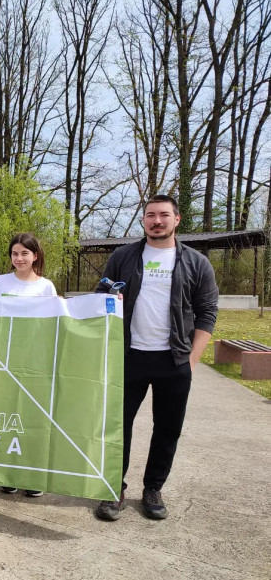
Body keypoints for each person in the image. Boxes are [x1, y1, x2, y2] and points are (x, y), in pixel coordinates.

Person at [94, 194, 218, 521]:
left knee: (167, 428)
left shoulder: (196, 263)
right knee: (117, 428)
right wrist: (109, 300)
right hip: (128, 357)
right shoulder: (123, 256)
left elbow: (207, 313)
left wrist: (191, 361)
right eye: (150, 215)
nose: (157, 221)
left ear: (177, 220)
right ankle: (113, 488)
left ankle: (153, 488)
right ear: (143, 220)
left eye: (164, 215)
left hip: (173, 360)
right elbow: (100, 297)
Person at [0, 233, 57, 497]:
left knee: (31, 416)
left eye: (24, 254)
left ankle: (33, 474)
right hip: (4, 359)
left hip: (35, 361)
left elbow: (53, 324)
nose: (19, 258)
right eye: (14, 253)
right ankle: (7, 472)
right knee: (5, 415)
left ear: (35, 256)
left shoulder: (46, 287)